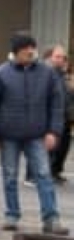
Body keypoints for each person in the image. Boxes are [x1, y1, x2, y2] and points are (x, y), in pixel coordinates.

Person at [0, 33, 67, 234]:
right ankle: (11, 215)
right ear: (15, 52)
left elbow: (56, 105)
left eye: (32, 48)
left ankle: (51, 218)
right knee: (10, 176)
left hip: (37, 134)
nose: (30, 52)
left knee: (44, 175)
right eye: (25, 49)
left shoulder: (47, 73)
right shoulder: (0, 74)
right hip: (8, 135)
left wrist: (54, 132)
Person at [49, 44, 72, 184]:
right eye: (57, 57)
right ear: (51, 57)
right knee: (54, 147)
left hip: (66, 116)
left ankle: (56, 171)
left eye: (63, 57)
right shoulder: (47, 73)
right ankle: (49, 172)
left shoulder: (64, 75)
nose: (60, 60)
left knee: (64, 146)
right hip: (54, 116)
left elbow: (68, 95)